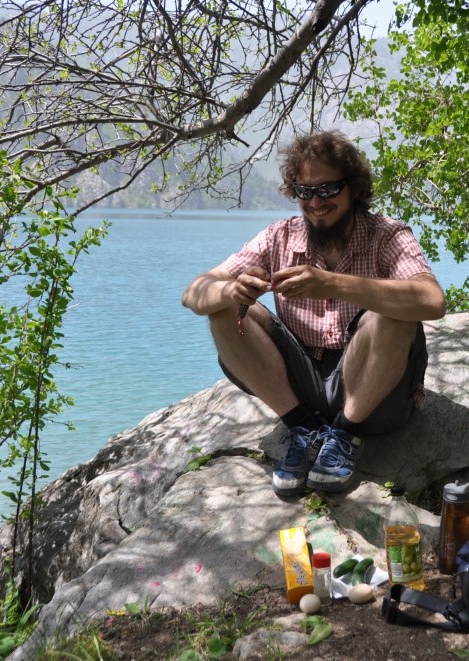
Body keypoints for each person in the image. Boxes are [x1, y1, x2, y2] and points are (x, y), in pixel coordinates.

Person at [181, 130, 446, 498]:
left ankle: (345, 435)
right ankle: (303, 428)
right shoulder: (278, 237)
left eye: (327, 189)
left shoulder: (387, 235)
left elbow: (431, 300)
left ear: (354, 188)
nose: (316, 202)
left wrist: (333, 284)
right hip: (302, 389)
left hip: (375, 394)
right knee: (222, 310)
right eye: (304, 191)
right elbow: (193, 294)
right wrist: (231, 290)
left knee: (393, 311)